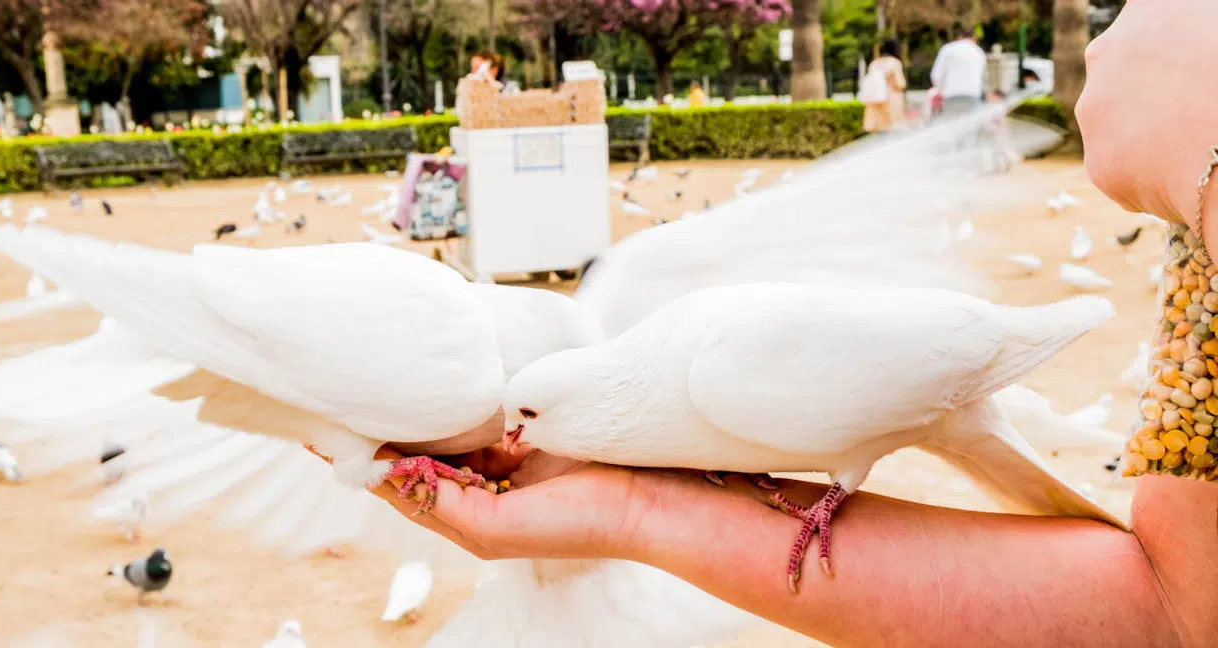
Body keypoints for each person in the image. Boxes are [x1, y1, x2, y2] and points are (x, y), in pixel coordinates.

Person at [369, 1, 1218, 645]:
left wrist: (1204, 159)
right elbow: (1167, 612)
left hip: (913, 382)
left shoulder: (705, 373)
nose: (1102, 40)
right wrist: (633, 513)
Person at [930, 24, 986, 117]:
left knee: (950, 124)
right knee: (971, 127)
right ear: (974, 39)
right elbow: (982, 77)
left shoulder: (947, 49)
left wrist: (940, 93)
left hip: (950, 94)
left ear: (959, 37)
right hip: (972, 94)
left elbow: (935, 76)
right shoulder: (979, 52)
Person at [861, 39, 907, 132]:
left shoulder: (873, 64)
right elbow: (900, 83)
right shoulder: (895, 62)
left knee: (879, 131)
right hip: (891, 98)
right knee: (893, 129)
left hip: (875, 100)